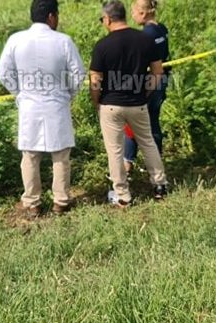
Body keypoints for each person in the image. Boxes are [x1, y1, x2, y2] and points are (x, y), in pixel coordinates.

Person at [0, 0, 86, 218]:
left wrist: (19, 93)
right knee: (60, 155)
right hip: (56, 104)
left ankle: (32, 202)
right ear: (51, 16)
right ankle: (60, 201)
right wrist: (68, 94)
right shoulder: (63, 41)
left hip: (29, 106)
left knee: (30, 155)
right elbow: (78, 74)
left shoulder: (16, 40)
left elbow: (3, 72)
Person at [89, 0, 169, 207]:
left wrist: (96, 102)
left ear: (107, 19)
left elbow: (95, 80)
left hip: (111, 105)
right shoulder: (144, 40)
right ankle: (160, 184)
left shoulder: (102, 46)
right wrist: (145, 92)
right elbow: (157, 72)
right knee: (148, 142)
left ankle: (123, 195)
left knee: (115, 150)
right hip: (138, 103)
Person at [123, 0, 171, 174]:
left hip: (150, 83)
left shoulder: (145, 35)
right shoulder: (162, 29)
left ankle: (128, 163)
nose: (132, 15)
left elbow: (142, 63)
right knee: (152, 122)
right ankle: (155, 162)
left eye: (134, 11)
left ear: (143, 13)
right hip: (162, 81)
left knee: (133, 123)